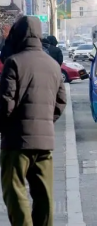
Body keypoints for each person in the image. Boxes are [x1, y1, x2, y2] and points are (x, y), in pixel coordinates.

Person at [0, 16, 67, 226]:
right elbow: (61, 101)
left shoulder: (14, 62)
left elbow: (5, 104)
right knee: (44, 195)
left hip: (16, 142)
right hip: (44, 142)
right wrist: (46, 122)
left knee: (15, 191)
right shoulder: (53, 65)